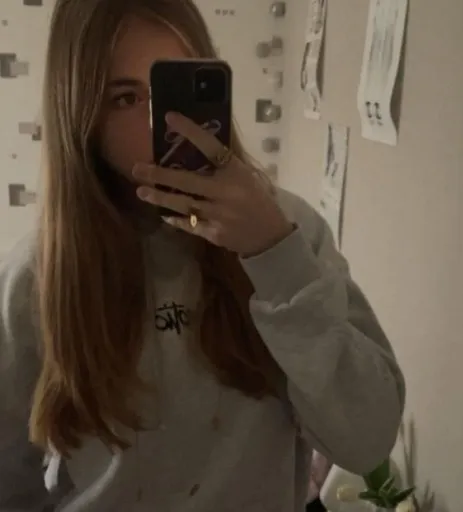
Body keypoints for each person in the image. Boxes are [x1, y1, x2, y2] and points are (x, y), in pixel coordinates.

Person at [0, 0, 405, 510]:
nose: (163, 125)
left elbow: (367, 440)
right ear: (79, 114)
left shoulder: (291, 232)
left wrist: (275, 256)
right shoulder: (34, 279)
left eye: (180, 91)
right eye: (125, 98)